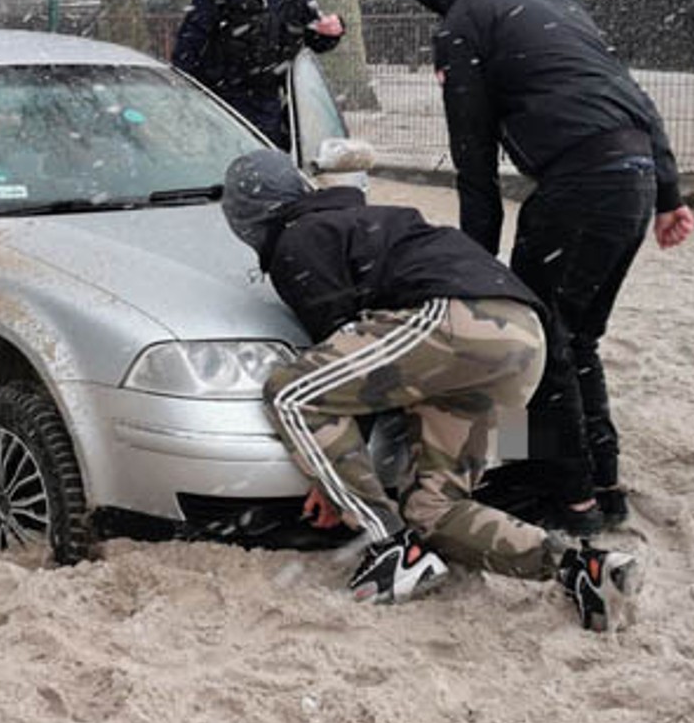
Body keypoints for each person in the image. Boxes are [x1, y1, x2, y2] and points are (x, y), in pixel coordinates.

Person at [221, 150, 640, 630]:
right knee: (432, 508)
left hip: (457, 319)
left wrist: (332, 483)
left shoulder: (300, 239)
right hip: (524, 340)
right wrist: (577, 488)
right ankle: (582, 570)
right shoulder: (362, 216)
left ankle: (390, 549)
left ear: (246, 218)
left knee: (291, 393)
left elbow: (342, 370)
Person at [401, 0, 694, 533]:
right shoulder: (551, 1)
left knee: (534, 338)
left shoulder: (463, 25)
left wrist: (473, 269)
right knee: (574, 335)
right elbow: (636, 100)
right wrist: (669, 194)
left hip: (581, 184)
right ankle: (604, 482)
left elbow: (474, 165)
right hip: (633, 178)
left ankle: (567, 497)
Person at [172, 0, 345, 150]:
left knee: (266, 171)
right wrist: (183, 90)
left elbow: (316, 40)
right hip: (219, 98)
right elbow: (193, 33)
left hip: (267, 105)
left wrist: (332, 31)